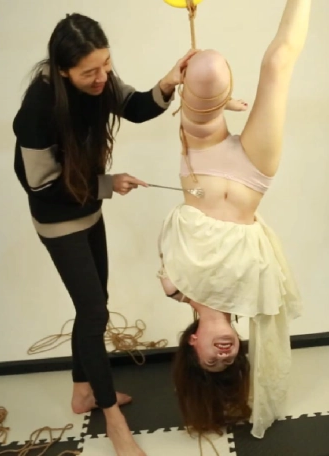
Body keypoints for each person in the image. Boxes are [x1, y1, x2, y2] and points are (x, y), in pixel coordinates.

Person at [12, 13, 197, 456]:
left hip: (88, 209)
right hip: (57, 217)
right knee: (95, 313)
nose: (102, 77)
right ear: (62, 71)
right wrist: (107, 184)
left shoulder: (99, 79)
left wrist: (169, 81)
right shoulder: (37, 110)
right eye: (89, 72)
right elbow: (40, 185)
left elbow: (135, 107)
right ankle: (114, 420)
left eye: (106, 64)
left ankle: (83, 393)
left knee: (93, 306)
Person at [157, 0, 311, 440]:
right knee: (277, 65)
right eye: (229, 360)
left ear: (193, 344)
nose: (223, 355)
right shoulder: (255, 299)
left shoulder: (174, 285)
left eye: (211, 360)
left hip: (204, 158)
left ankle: (210, 89)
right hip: (253, 174)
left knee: (207, 67)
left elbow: (176, 228)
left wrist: (216, 102)